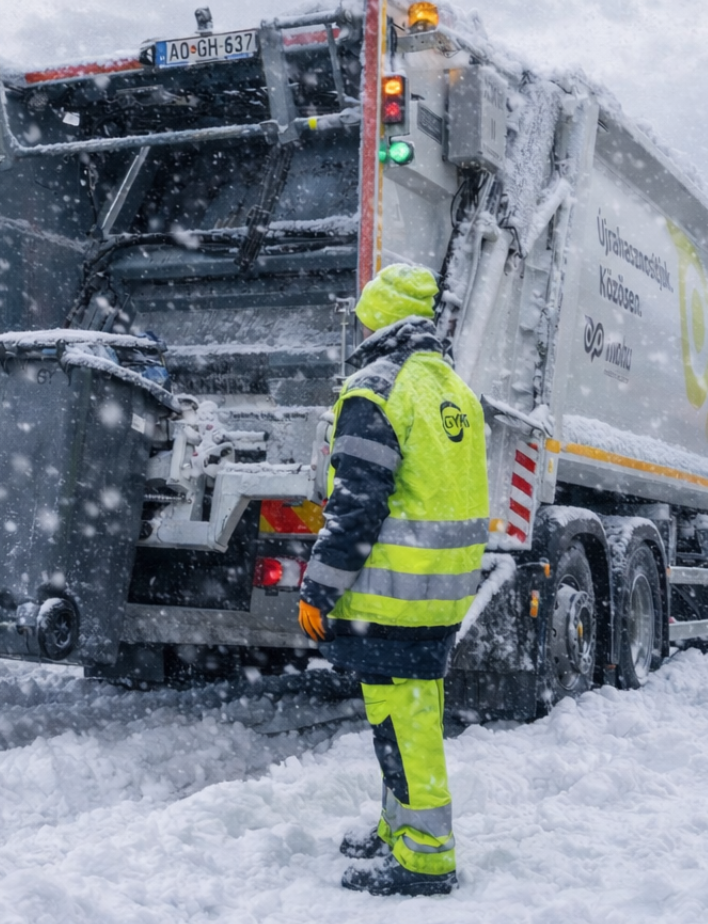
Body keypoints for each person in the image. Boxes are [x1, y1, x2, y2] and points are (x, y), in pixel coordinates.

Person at [297, 263, 489, 896]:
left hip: (391, 593)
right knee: (408, 716)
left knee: (402, 723)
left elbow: (355, 506)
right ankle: (398, 830)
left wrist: (318, 587)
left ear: (377, 317)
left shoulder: (375, 389)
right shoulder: (451, 388)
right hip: (441, 589)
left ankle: (426, 858)